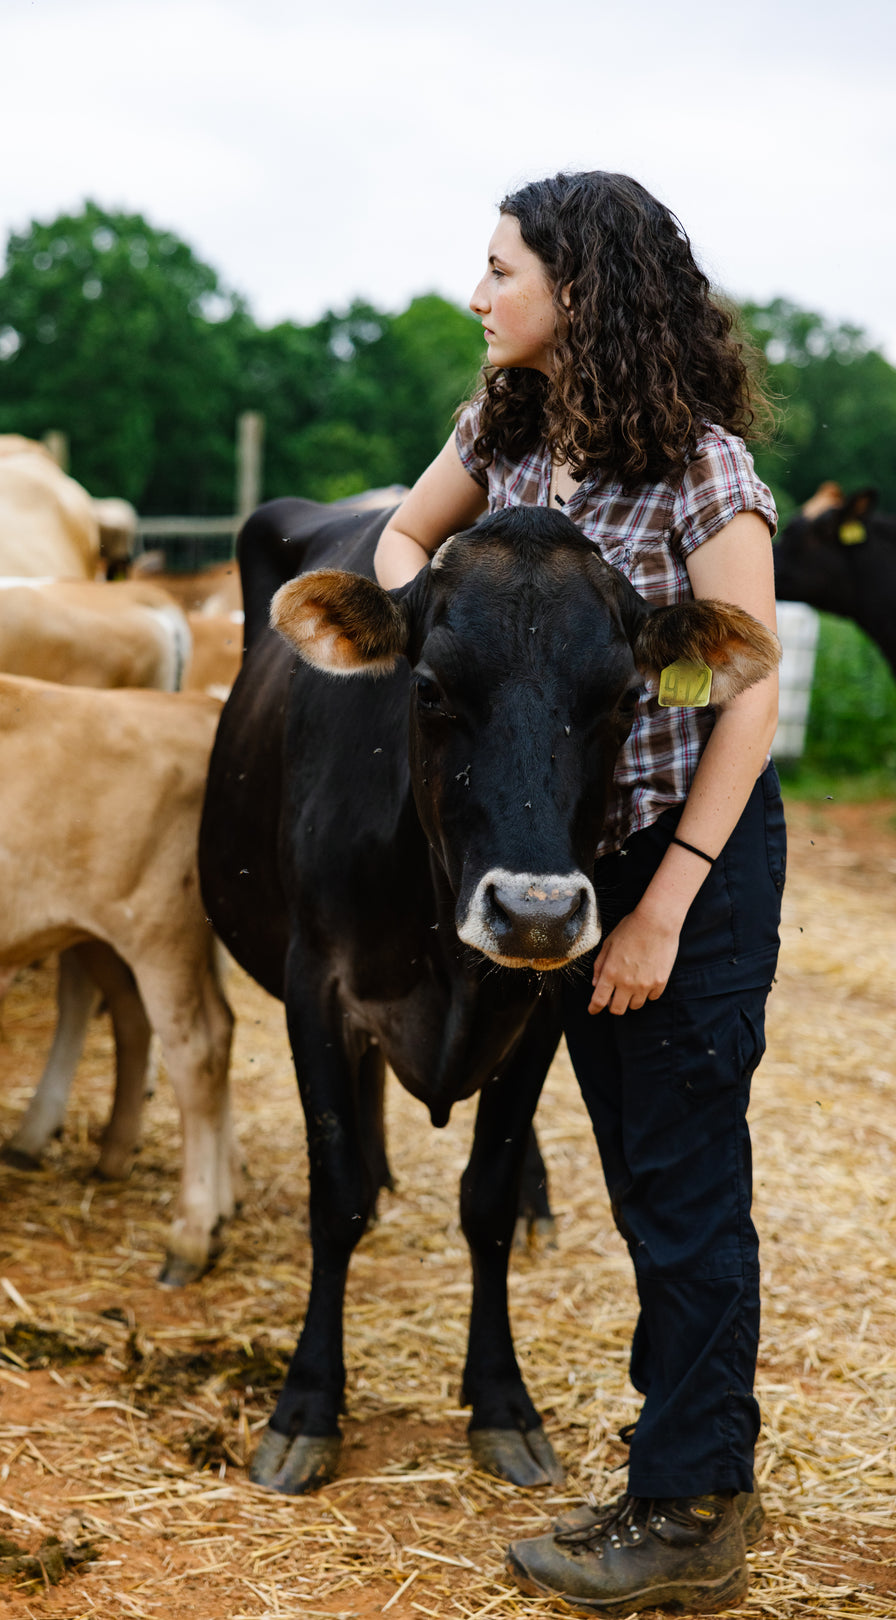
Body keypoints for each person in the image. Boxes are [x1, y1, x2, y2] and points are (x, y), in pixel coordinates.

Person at [374, 171, 785, 1617]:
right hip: (567, 852)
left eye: (498, 270)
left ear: (579, 290)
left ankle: (691, 1508)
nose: (476, 295)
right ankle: (681, 1464)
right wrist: (427, 626)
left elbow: (749, 691)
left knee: (679, 1188)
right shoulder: (507, 429)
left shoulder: (704, 471)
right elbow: (401, 544)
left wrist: (669, 900)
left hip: (688, 858)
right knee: (634, 1177)